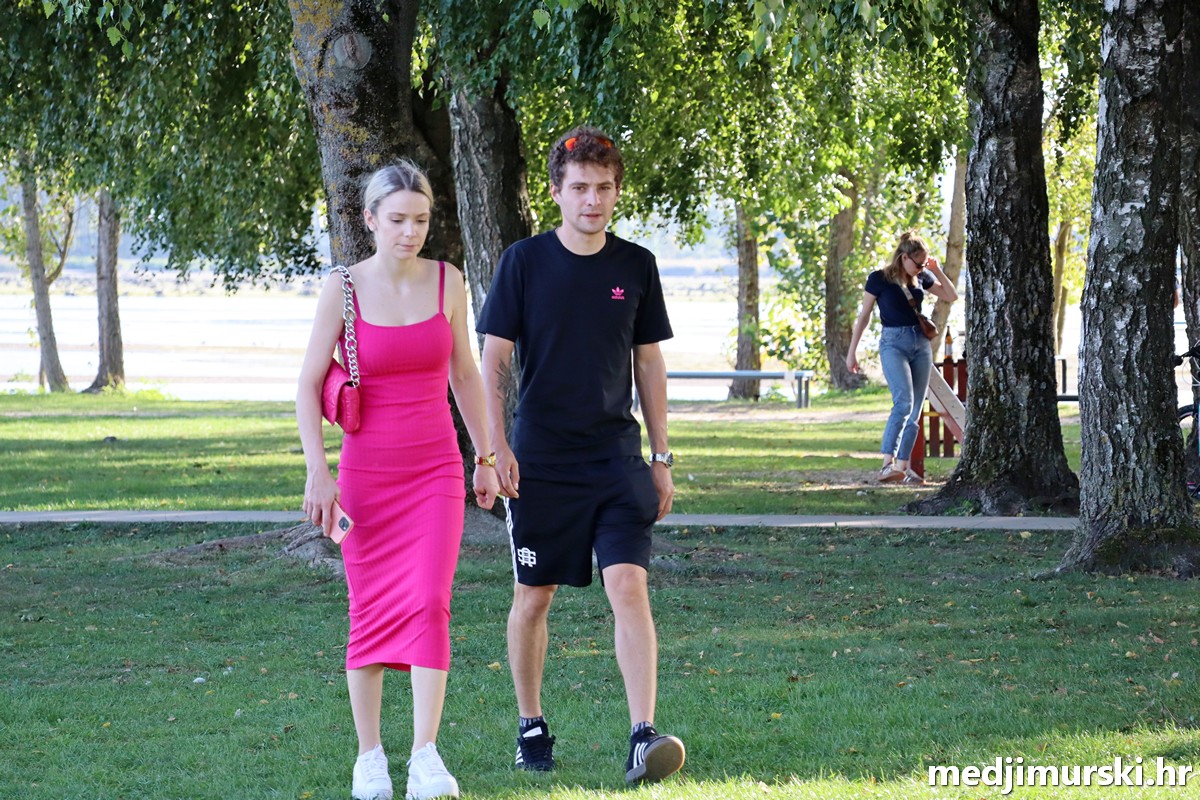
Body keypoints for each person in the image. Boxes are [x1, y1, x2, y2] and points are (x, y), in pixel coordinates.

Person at [476, 126, 686, 784]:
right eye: (580, 188)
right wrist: (495, 448)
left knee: (629, 585)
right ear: (556, 192)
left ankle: (642, 736)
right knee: (533, 597)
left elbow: (649, 363)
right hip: (540, 461)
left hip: (616, 458)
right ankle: (531, 725)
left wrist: (662, 455)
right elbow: (493, 359)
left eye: (604, 188)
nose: (593, 200)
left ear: (617, 191)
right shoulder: (523, 262)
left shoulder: (636, 265)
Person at [296, 161, 499, 800]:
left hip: (435, 470)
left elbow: (465, 375)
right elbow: (307, 385)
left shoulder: (448, 282)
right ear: (370, 220)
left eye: (421, 220)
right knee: (370, 608)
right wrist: (318, 472)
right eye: (397, 220)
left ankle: (425, 757)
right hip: (364, 477)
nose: (410, 232)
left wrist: (487, 455)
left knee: (430, 600)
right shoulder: (342, 288)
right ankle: (370, 758)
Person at [845, 231, 959, 484]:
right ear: (904, 257)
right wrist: (852, 352)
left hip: (921, 343)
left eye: (923, 264)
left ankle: (903, 468)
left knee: (915, 409)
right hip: (893, 343)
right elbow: (864, 316)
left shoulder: (922, 278)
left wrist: (936, 270)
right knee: (903, 402)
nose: (921, 268)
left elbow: (951, 296)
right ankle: (887, 464)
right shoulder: (879, 279)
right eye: (918, 264)